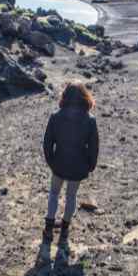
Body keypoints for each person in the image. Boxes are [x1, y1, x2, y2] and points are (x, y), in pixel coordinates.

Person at [42, 83, 99, 238]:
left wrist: (51, 161)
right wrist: (91, 165)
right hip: (79, 164)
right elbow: (94, 146)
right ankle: (65, 227)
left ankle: (49, 227)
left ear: (65, 96)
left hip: (59, 162)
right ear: (84, 96)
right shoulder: (90, 120)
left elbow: (47, 142)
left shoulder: (56, 116)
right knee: (71, 196)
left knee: (54, 193)